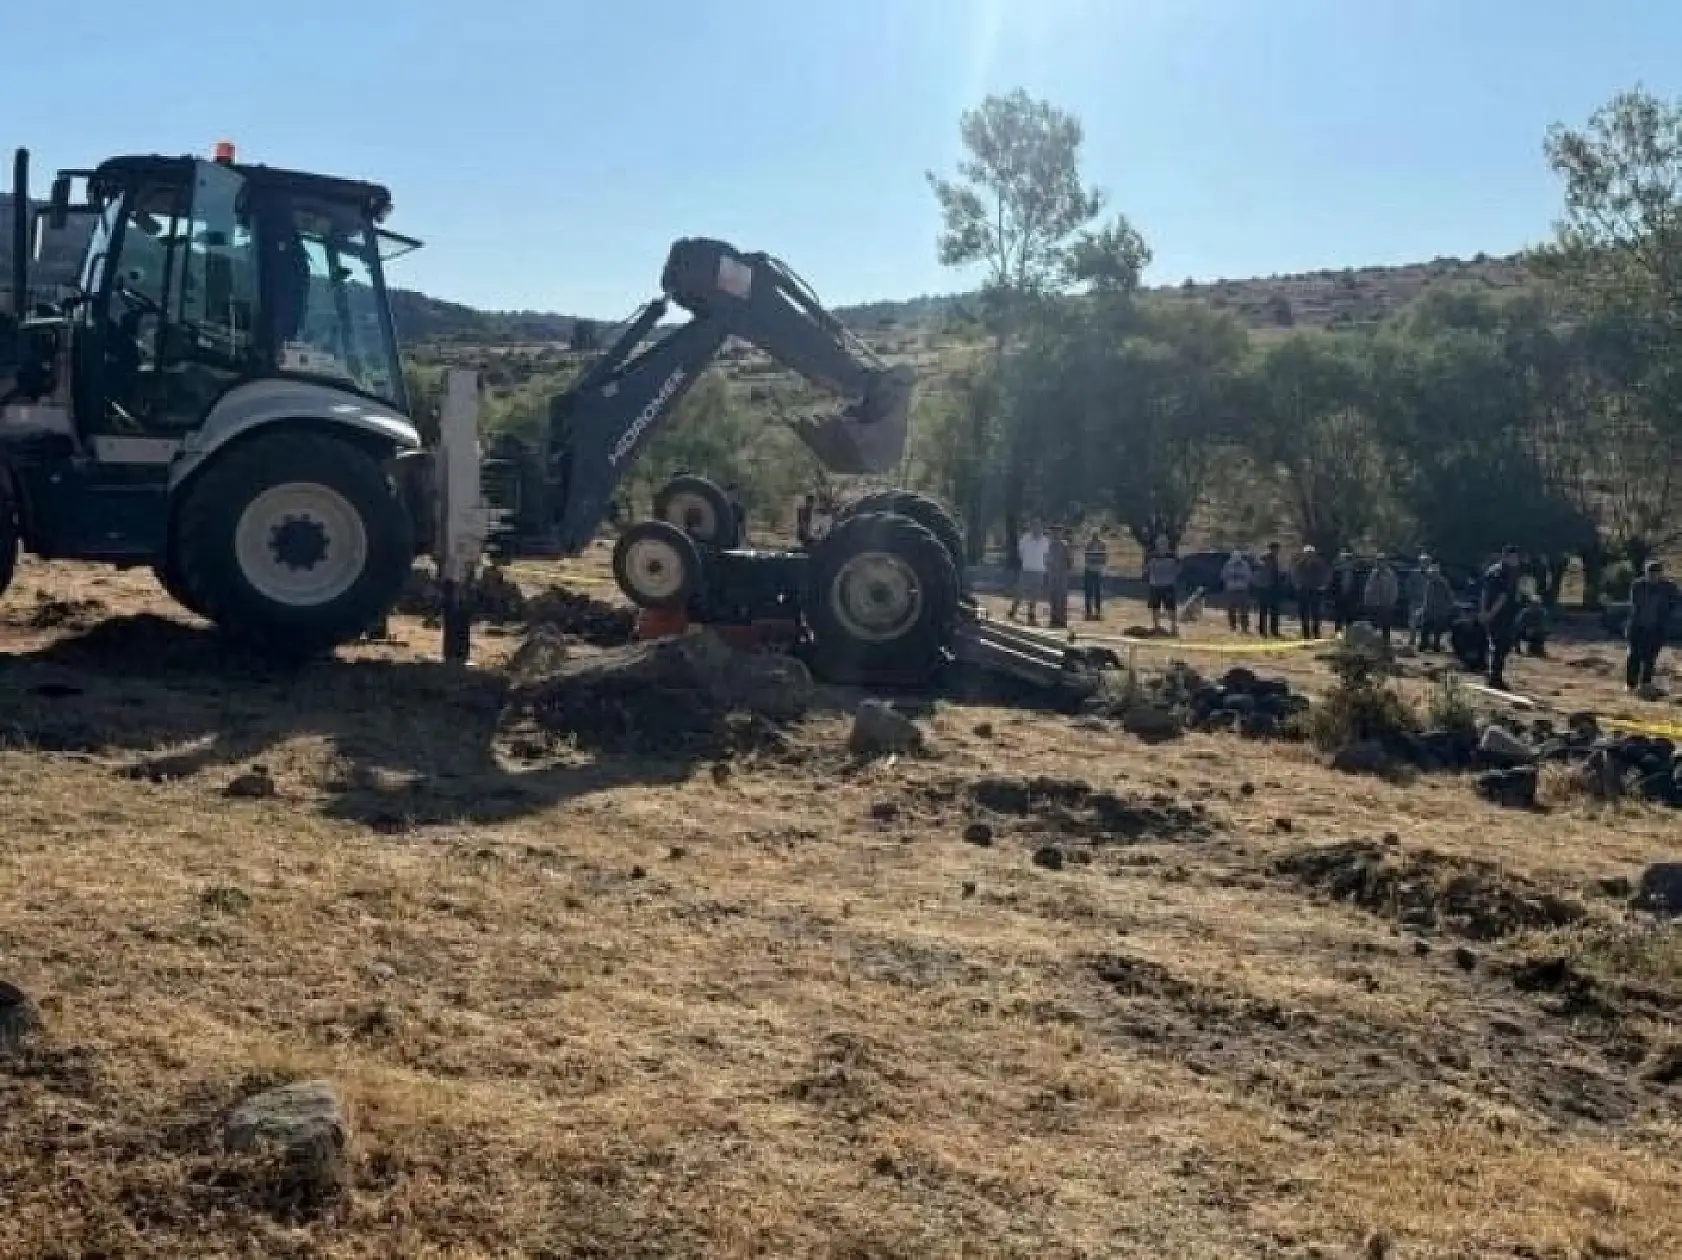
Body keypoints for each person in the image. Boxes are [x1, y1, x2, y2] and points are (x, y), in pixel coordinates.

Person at [1626, 559, 1678, 693]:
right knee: (1634, 656)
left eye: (1656, 573)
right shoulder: (1638, 585)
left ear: (1661, 574)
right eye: (1650, 573)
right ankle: (1631, 684)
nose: (1653, 576)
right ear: (1646, 573)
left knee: (1650, 658)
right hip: (1638, 627)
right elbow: (1636, 604)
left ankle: (1645, 684)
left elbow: (1673, 604)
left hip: (1657, 629)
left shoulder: (1669, 587)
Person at [1479, 544, 1524, 690]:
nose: (1516, 560)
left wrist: (1484, 611)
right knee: (1501, 645)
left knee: (1496, 644)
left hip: (1495, 612)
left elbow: (1484, 592)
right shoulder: (1506, 573)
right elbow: (1503, 596)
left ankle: (1492, 674)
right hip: (1502, 614)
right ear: (1507, 557)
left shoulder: (1492, 570)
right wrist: (1491, 613)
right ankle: (1495, 677)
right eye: (1514, 557)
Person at [1008, 522, 1050, 625]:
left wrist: (1044, 567)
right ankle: (1013, 610)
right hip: (1027, 569)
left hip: (1039, 570)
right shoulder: (1025, 538)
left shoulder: (1045, 541)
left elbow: (1046, 555)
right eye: (1035, 527)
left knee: (1035, 595)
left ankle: (1031, 615)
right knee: (1020, 591)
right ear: (1032, 528)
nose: (1037, 530)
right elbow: (1020, 553)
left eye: (1039, 528)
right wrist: (1027, 562)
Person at [1291, 543, 1331, 639]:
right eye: (1307, 553)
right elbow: (1294, 575)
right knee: (1304, 614)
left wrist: (1323, 585)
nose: (1309, 555)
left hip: (1315, 591)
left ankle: (1316, 633)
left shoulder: (1320, 564)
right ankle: (1306, 634)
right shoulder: (1299, 564)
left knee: (1316, 614)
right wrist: (1297, 584)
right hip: (1303, 591)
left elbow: (1326, 575)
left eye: (1311, 553)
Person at [1144, 535, 1181, 635]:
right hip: (1155, 585)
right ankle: (1156, 628)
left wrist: (1171, 576)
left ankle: (1173, 628)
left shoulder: (1173, 556)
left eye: (1164, 544)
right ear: (1157, 545)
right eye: (1160, 544)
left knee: (1171, 608)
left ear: (1167, 545)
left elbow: (1178, 570)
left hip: (1168, 585)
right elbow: (1146, 569)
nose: (1162, 546)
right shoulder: (1151, 556)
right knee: (1155, 608)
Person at [1417, 561, 1457, 652]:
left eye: (1434, 573)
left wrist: (1447, 608)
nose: (1432, 575)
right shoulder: (1429, 583)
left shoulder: (1443, 583)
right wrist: (1424, 608)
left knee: (1437, 631)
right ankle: (1423, 645)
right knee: (1425, 628)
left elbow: (1450, 597)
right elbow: (1426, 597)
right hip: (1429, 610)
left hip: (1440, 611)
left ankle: (1436, 646)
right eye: (1431, 573)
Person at [1364, 555, 1400, 645]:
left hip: (1386, 605)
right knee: (1373, 627)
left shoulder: (1391, 574)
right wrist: (1367, 601)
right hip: (1374, 605)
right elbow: (1368, 588)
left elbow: (1394, 590)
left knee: (1386, 628)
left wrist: (1391, 602)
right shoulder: (1373, 573)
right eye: (1378, 561)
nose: (1379, 563)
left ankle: (1386, 646)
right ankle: (1373, 646)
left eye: (1381, 560)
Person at [1255, 542, 1286, 638]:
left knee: (1275, 610)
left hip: (1274, 588)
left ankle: (1274, 630)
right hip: (1264, 587)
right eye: (1275, 549)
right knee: (1263, 610)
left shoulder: (1277, 560)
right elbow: (1261, 572)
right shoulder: (1264, 559)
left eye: (1277, 549)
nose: (1276, 551)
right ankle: (1262, 631)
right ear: (1271, 549)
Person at [1221, 549, 1254, 632]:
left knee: (1244, 610)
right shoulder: (1228, 565)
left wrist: (1243, 582)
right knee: (1231, 610)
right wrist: (1230, 580)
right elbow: (1223, 576)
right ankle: (1233, 627)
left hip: (1242, 590)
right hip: (1231, 590)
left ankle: (1244, 627)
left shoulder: (1245, 565)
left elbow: (1249, 576)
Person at [1046, 527, 1073, 628]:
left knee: (1061, 598)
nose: (1055, 534)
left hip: (1062, 575)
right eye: (1053, 532)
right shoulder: (1049, 545)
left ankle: (1062, 620)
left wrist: (1065, 569)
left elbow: (1070, 561)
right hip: (1052, 575)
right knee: (1052, 597)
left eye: (1057, 532)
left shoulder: (1064, 545)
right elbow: (1046, 560)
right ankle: (1054, 619)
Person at [1404, 553, 1431, 647]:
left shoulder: (1432, 573)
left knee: (1425, 622)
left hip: (1428, 601)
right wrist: (1411, 595)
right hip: (1415, 600)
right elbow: (1408, 585)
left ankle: (1424, 642)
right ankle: (1412, 639)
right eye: (1423, 561)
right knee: (1413, 621)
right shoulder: (1414, 573)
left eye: (1427, 562)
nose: (1425, 563)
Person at [1330, 548, 1360, 633]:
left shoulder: (1356, 572)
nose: (1348, 562)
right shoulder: (1337, 571)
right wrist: (1332, 598)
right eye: (1346, 559)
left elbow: (1358, 587)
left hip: (1351, 599)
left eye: (1349, 559)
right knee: (1338, 619)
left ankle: (1349, 637)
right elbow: (1332, 586)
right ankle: (1338, 637)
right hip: (1339, 599)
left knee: (1350, 620)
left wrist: (1358, 600)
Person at [1082, 530, 1108, 620]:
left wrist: (1094, 559)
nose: (1095, 537)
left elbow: (1104, 559)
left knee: (1098, 593)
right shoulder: (1088, 544)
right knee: (1089, 593)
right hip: (1089, 570)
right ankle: (1088, 612)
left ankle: (1098, 612)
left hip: (1098, 571)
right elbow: (1087, 558)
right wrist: (1096, 558)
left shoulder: (1102, 544)